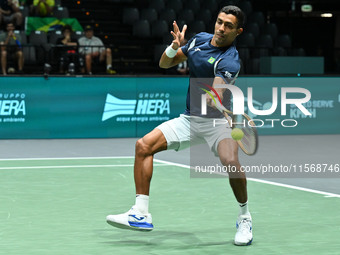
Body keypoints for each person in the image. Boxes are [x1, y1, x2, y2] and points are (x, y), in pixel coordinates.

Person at [106, 6, 253, 246]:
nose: (221, 28)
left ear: (238, 31)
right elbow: (165, 64)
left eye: (228, 26)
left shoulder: (230, 60)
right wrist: (174, 47)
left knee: (231, 163)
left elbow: (213, 93)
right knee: (143, 146)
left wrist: (213, 96)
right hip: (190, 120)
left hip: (218, 122)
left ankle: (244, 217)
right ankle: (140, 213)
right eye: (219, 22)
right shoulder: (199, 41)